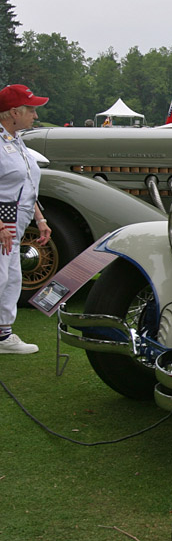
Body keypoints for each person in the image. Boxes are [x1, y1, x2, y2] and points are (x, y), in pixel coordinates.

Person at [0, 84, 52, 354]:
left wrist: (40, 218)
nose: (35, 115)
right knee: (1, 275)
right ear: (13, 112)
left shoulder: (15, 139)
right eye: (30, 109)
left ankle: (3, 334)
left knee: (10, 276)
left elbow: (28, 183)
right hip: (3, 219)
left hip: (16, 219)